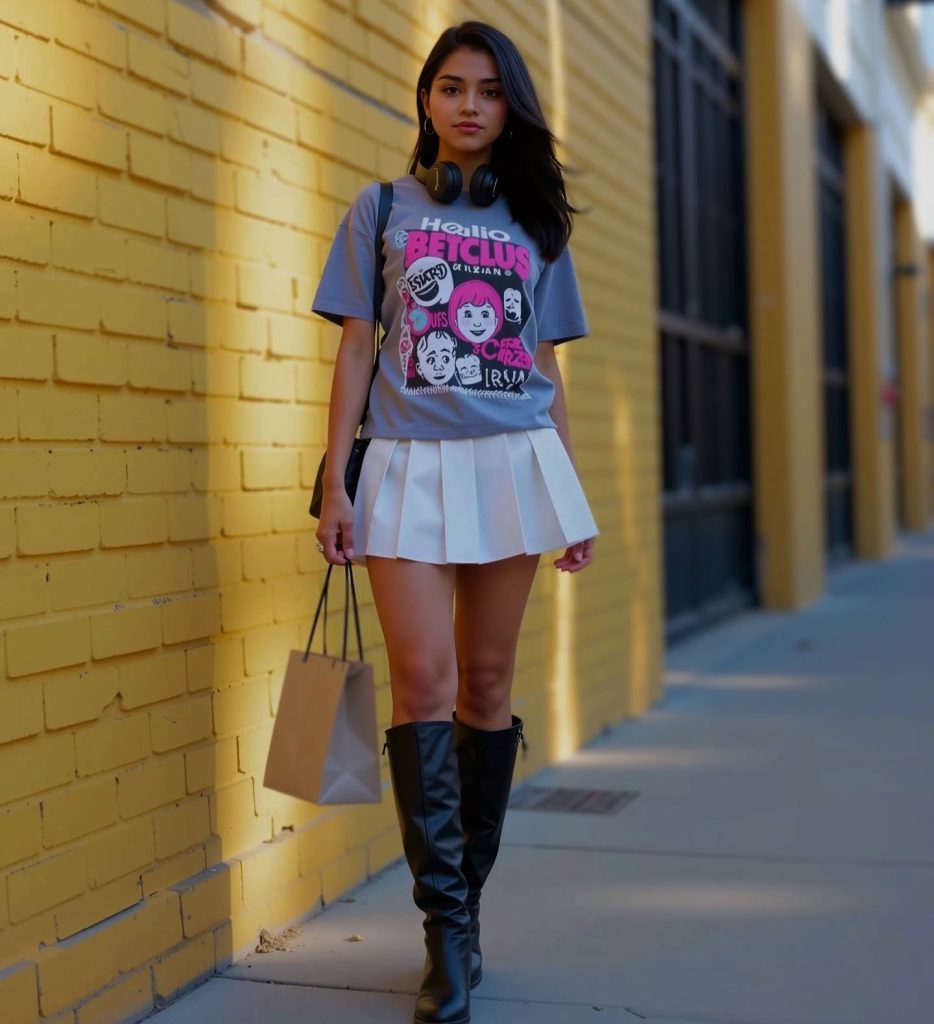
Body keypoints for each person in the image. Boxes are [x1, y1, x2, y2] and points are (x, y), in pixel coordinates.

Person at [311, 21, 598, 1024]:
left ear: (509, 106)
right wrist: (335, 482)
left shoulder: (535, 222)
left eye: (487, 89)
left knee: (485, 685)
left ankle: (465, 915)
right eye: (451, 87)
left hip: (511, 463)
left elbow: (547, 367)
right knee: (425, 681)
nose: (469, 105)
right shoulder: (380, 208)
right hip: (405, 467)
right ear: (426, 100)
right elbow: (356, 349)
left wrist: (570, 492)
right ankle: (443, 933)